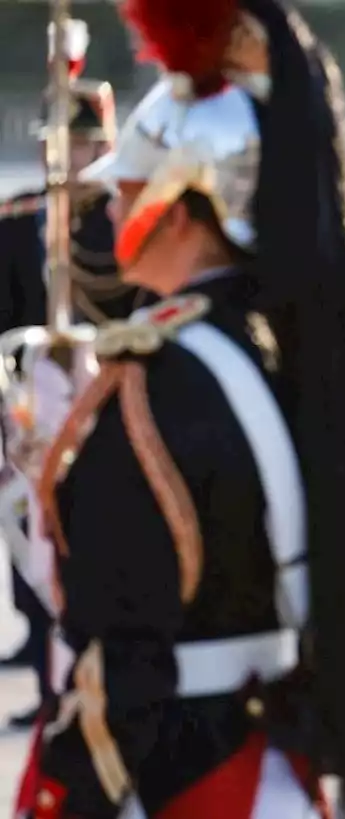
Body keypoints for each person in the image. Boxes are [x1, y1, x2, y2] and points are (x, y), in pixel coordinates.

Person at [7, 0, 345, 814]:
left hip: (176, 772)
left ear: (180, 199)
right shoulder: (275, 350)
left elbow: (115, 628)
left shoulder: (158, 378)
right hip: (266, 761)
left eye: (125, 189)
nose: (111, 208)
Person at [0, 33, 143, 730]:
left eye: (83, 145)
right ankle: (43, 667)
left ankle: (94, 676)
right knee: (31, 536)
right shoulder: (21, 217)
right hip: (31, 402)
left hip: (109, 400)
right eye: (60, 144)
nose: (69, 157)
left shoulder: (124, 224)